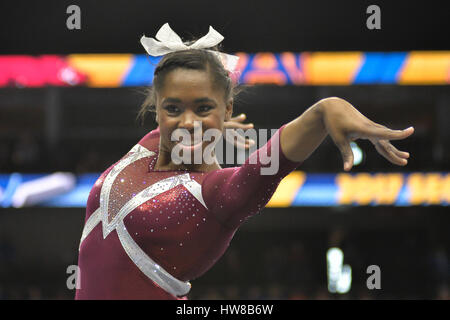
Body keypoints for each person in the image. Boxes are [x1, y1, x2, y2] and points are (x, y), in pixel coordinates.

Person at [75, 24, 414, 300]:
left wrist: (323, 112)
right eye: (173, 108)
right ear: (157, 108)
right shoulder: (149, 148)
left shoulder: (218, 196)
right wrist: (210, 126)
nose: (187, 121)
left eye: (203, 108)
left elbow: (270, 162)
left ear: (228, 109)